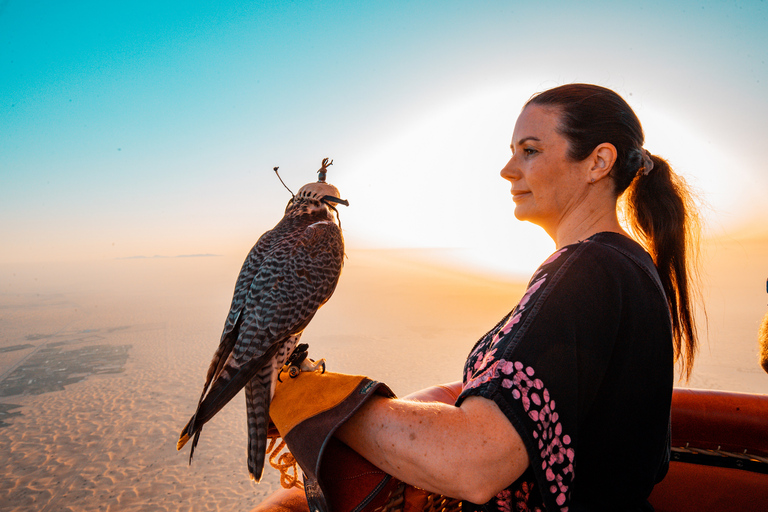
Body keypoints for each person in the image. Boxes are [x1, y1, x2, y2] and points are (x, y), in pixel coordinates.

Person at [270, 83, 702, 512]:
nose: (508, 169)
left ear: (598, 162)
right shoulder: (625, 262)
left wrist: (319, 399)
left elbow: (477, 463)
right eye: (513, 150)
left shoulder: (588, 270)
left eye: (530, 150)